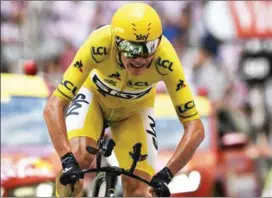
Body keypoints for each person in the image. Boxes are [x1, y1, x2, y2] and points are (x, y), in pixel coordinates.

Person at [43, 2, 205, 197]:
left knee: (138, 189)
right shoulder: (99, 43)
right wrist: (66, 159)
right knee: (78, 160)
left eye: (148, 47)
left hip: (134, 112)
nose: (140, 58)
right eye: (131, 48)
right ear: (116, 42)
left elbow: (195, 128)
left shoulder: (166, 60)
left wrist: (166, 174)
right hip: (94, 97)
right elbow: (54, 105)